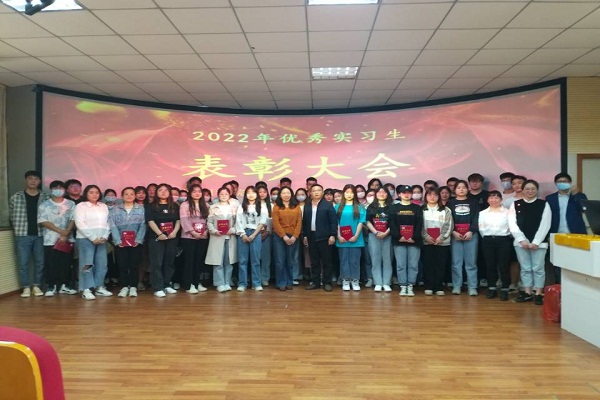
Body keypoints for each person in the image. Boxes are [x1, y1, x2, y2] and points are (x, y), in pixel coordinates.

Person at [508, 180, 552, 305]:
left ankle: (538, 293)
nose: (530, 191)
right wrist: (522, 240)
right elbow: (512, 223)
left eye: (533, 189)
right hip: (520, 243)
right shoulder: (515, 204)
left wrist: (536, 241)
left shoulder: (544, 204)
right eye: (527, 189)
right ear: (522, 190)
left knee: (538, 268)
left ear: (537, 190)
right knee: (525, 268)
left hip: (539, 244)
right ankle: (527, 292)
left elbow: (545, 224)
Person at [9, 170, 49, 298]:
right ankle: (25, 287)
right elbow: (11, 215)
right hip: (22, 234)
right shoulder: (16, 197)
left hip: (41, 234)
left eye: (36, 179)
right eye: (30, 178)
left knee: (40, 262)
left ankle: (36, 286)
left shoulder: (46, 197)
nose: (33, 181)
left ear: (40, 181)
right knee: (23, 262)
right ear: (25, 180)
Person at [545, 172, 588, 284]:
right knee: (557, 263)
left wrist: (576, 194)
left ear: (570, 183)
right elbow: (546, 218)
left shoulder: (579, 196)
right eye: (560, 181)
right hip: (556, 235)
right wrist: (548, 236)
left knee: (576, 261)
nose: (562, 183)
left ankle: (576, 285)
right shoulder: (550, 198)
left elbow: (584, 209)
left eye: (565, 181)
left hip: (576, 234)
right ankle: (559, 286)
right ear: (555, 183)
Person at [37, 180, 78, 297]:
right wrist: (60, 232)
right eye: (55, 188)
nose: (58, 190)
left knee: (66, 263)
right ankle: (51, 286)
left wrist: (66, 233)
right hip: (50, 239)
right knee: (51, 263)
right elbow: (43, 221)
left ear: (65, 190)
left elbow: (73, 219)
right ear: (51, 190)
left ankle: (65, 286)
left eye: (61, 188)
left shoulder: (71, 204)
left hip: (67, 239)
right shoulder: (44, 205)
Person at [74, 184, 112, 300]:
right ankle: (86, 289)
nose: (94, 194)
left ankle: (99, 287)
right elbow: (79, 223)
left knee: (102, 264)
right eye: (91, 192)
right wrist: (93, 237)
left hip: (101, 240)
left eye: (96, 192)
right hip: (85, 239)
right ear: (86, 194)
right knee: (87, 264)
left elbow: (108, 222)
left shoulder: (103, 206)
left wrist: (105, 236)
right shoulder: (81, 206)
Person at [109, 187, 146, 298]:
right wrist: (117, 240)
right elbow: (112, 225)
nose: (129, 196)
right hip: (120, 242)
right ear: (122, 196)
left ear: (134, 196)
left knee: (134, 265)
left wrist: (138, 240)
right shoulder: (115, 209)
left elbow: (143, 225)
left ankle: (133, 286)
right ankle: (124, 286)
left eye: (131, 194)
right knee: (122, 265)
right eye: (126, 194)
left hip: (136, 242)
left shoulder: (141, 209)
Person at [146, 183, 181, 298]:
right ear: (156, 192)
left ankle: (167, 284)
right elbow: (150, 221)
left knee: (169, 262)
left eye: (166, 190)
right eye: (160, 190)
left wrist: (174, 232)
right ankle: (158, 287)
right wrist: (159, 233)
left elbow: (178, 220)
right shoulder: (151, 206)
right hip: (156, 238)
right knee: (157, 263)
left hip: (171, 237)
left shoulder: (174, 206)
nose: (163, 192)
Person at [389, 185, 423, 296]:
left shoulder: (417, 208)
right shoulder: (394, 208)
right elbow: (392, 224)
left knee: (413, 264)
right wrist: (399, 236)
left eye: (409, 192)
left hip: (414, 241)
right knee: (401, 264)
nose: (406, 195)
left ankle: (410, 285)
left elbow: (419, 224)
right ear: (399, 194)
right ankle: (403, 285)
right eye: (404, 193)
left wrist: (414, 237)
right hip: (399, 240)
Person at [447, 180, 480, 296]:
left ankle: (472, 287)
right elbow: (447, 219)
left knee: (471, 263)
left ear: (467, 189)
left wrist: (472, 231)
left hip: (471, 235)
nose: (461, 189)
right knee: (456, 263)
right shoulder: (450, 203)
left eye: (464, 187)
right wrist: (453, 232)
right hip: (455, 236)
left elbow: (477, 218)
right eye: (459, 187)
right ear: (455, 190)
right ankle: (457, 286)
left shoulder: (474, 202)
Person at [478, 190, 512, 301]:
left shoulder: (508, 212)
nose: (494, 200)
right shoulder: (483, 213)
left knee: (504, 266)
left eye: (497, 197)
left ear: (501, 199)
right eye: (491, 198)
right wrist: (488, 237)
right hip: (487, 240)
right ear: (487, 200)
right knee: (490, 265)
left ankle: (505, 288)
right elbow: (481, 228)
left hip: (504, 240)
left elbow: (511, 227)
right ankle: (491, 287)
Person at [303, 184, 337, 292]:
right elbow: (305, 222)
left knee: (327, 261)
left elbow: (333, 221)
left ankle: (327, 282)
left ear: (322, 192)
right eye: (314, 191)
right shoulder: (307, 205)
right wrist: (305, 235)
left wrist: (333, 235)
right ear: (310, 193)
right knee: (314, 261)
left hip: (325, 237)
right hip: (311, 236)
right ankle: (315, 282)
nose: (316, 192)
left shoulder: (328, 205)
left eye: (319, 190)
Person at [421, 188, 453, 296]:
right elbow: (419, 225)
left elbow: (449, 225)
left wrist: (441, 237)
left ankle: (439, 287)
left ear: (439, 197)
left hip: (442, 242)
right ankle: (428, 286)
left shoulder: (446, 210)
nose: (432, 197)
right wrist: (426, 237)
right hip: (426, 242)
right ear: (426, 196)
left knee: (441, 265)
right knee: (428, 264)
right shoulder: (421, 209)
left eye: (435, 195)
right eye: (429, 195)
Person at [179, 184, 209, 294]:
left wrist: (206, 231)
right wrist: (193, 232)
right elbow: (184, 220)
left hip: (203, 236)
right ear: (190, 193)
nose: (197, 193)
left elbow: (209, 220)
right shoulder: (185, 205)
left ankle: (197, 282)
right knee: (189, 260)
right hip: (188, 237)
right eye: (194, 191)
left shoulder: (206, 205)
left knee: (199, 260)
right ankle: (189, 284)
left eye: (199, 191)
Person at [206, 187, 238, 293]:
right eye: (221, 194)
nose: (224, 196)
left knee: (229, 261)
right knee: (217, 261)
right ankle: (219, 283)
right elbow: (209, 222)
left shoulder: (234, 208)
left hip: (230, 237)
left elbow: (238, 222)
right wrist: (214, 231)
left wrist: (233, 229)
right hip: (217, 237)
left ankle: (227, 282)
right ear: (218, 195)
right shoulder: (213, 207)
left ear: (229, 195)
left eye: (226, 194)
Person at [335, 184, 366, 291]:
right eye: (347, 192)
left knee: (355, 261)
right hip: (342, 239)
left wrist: (356, 235)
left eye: (352, 192)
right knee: (343, 260)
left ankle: (355, 280)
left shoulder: (360, 207)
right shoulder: (337, 206)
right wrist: (339, 235)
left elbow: (361, 222)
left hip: (356, 239)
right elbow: (336, 223)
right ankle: (345, 280)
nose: (349, 194)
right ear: (343, 193)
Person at [236, 186, 266, 291]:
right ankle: (242, 284)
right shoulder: (241, 207)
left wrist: (254, 235)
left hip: (256, 233)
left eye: (253, 192)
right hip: (243, 233)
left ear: (257, 194)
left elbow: (262, 222)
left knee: (255, 260)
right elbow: (238, 221)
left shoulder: (262, 206)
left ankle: (256, 283)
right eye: (248, 192)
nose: (251, 194)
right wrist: (243, 234)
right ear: (245, 195)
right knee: (242, 261)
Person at [272, 187, 302, 291]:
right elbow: (275, 223)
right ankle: (281, 282)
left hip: (293, 236)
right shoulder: (276, 207)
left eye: (288, 193)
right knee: (280, 261)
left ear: (291, 194)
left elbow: (299, 222)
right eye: (283, 193)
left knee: (290, 260)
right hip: (279, 236)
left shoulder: (296, 207)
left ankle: (289, 282)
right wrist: (284, 236)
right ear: (280, 195)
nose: (286, 195)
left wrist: (295, 236)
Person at [365, 187, 394, 292]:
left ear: (387, 194)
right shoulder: (371, 207)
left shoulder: (392, 207)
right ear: (376, 194)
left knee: (387, 260)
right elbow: (367, 221)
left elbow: (394, 222)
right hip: (374, 235)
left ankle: (386, 283)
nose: (382, 194)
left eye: (384, 192)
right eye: (379, 192)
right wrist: (375, 232)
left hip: (388, 235)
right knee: (375, 259)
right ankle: (377, 282)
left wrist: (386, 233)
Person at [257, 184, 273, 287]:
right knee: (256, 257)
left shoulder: (271, 205)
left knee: (266, 258)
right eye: (260, 192)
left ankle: (265, 278)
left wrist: (267, 231)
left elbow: (272, 220)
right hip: (255, 234)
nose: (262, 194)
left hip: (267, 234)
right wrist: (257, 232)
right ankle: (256, 278)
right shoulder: (253, 205)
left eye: (264, 192)